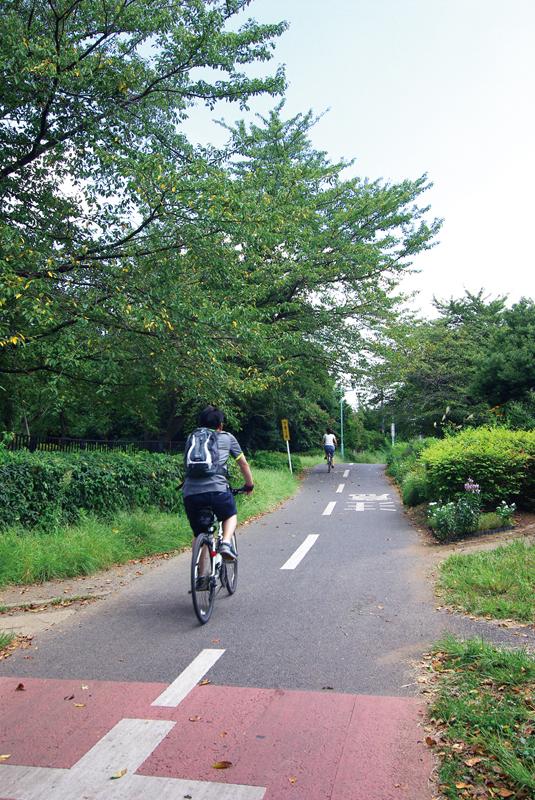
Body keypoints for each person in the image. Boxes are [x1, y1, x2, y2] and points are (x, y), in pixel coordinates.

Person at [182, 406, 254, 570]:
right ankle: (226, 543)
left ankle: (200, 578)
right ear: (220, 425)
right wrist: (249, 485)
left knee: (200, 534)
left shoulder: (191, 438)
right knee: (230, 515)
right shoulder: (227, 438)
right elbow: (243, 463)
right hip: (217, 490)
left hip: (190, 493)